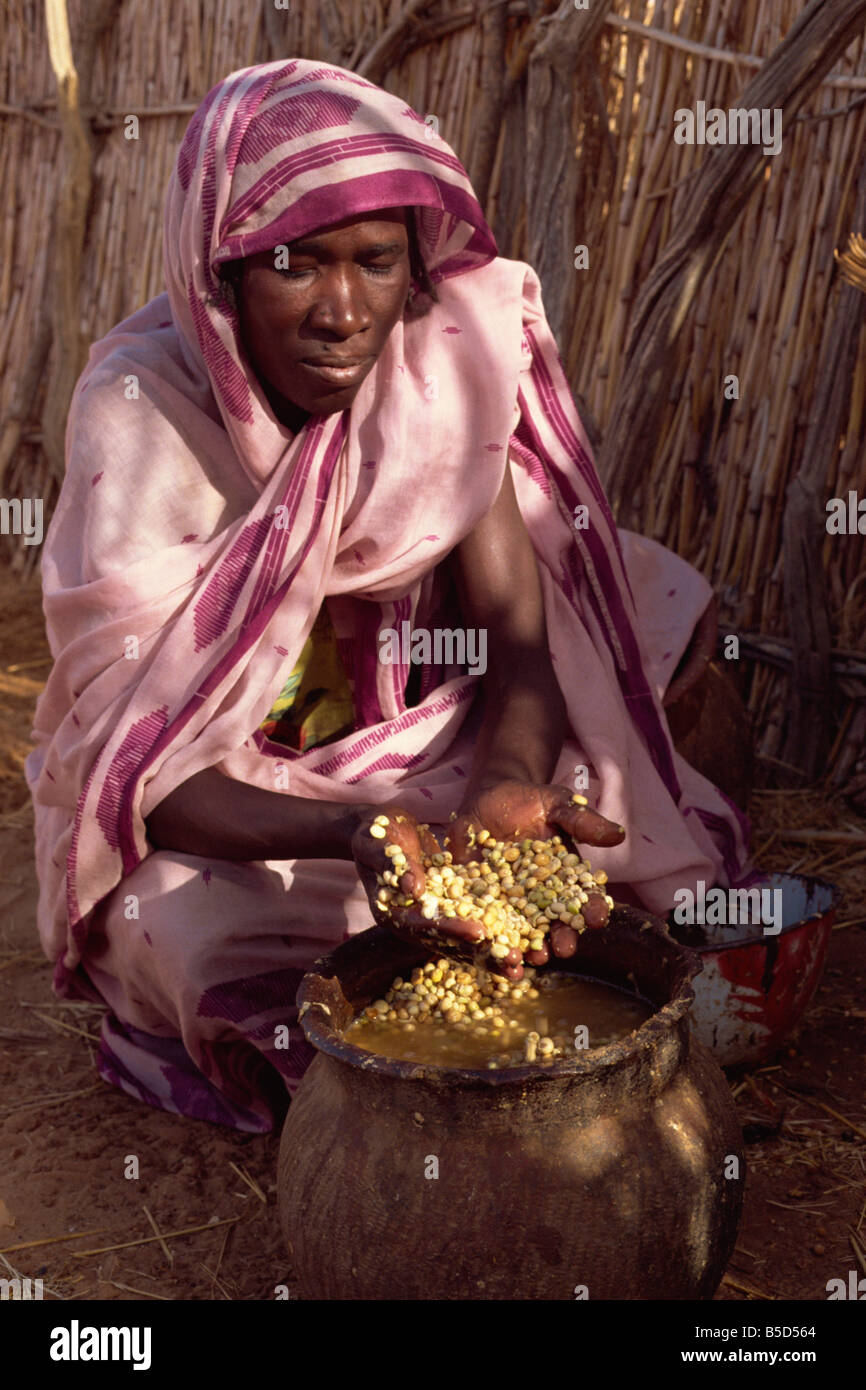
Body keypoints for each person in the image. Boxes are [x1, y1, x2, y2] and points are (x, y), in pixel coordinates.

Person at [26, 58, 751, 1132]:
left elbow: (515, 644)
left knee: (573, 858)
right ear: (217, 270)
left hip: (424, 750)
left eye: (374, 263)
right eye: (293, 265)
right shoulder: (144, 415)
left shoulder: (437, 376)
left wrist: (497, 792)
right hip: (243, 805)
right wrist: (364, 833)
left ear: (417, 272)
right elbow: (140, 770)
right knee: (172, 925)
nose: (341, 310)